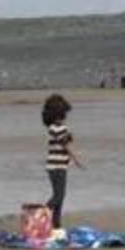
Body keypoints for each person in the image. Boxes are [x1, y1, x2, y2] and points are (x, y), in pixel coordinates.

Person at [42, 93, 83, 228]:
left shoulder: (53, 128)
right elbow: (66, 145)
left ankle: (56, 223)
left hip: (57, 165)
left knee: (59, 196)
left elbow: (66, 142)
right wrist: (76, 159)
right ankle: (41, 213)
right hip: (56, 166)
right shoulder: (59, 128)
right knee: (59, 196)